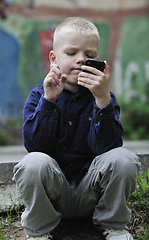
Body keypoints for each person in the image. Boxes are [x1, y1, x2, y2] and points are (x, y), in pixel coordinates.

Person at [13, 17, 141, 240]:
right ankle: (41, 230)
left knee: (123, 159)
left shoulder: (104, 98)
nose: (81, 59)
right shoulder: (39, 96)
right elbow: (35, 146)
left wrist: (102, 101)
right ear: (54, 58)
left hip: (91, 192)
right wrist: (49, 101)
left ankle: (111, 224)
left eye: (89, 55)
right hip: (56, 194)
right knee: (32, 163)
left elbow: (108, 148)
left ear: (99, 61)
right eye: (72, 53)